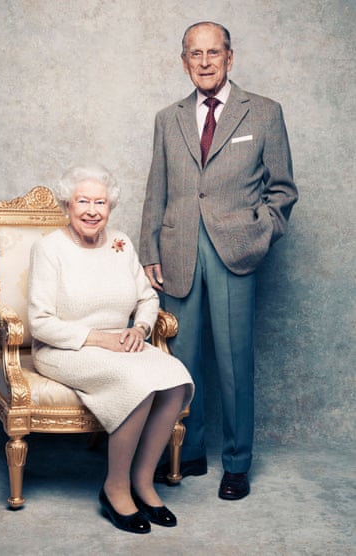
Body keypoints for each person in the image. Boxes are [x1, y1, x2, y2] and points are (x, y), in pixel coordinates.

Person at [139, 21, 298, 500]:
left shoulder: (265, 113)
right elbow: (156, 189)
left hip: (235, 250)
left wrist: (259, 232)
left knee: (233, 361)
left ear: (230, 57)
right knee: (181, 362)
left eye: (213, 53)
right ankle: (187, 453)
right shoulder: (168, 118)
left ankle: (236, 463)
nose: (204, 62)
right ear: (183, 60)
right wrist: (149, 249)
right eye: (195, 54)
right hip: (177, 249)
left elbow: (283, 190)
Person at [27, 163, 194, 534]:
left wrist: (140, 327)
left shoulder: (121, 244)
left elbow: (147, 297)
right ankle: (115, 487)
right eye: (82, 200)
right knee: (136, 382)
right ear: (67, 205)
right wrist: (98, 338)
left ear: (110, 208)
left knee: (176, 379)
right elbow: (39, 322)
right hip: (64, 349)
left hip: (121, 342)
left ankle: (143, 481)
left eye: (99, 202)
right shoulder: (49, 249)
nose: (91, 210)